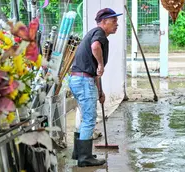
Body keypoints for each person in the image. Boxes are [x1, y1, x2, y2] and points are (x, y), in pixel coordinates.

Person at [68, 8, 122, 167]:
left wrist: (100, 91)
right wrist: (100, 64)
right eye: (114, 21)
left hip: (79, 79)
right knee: (90, 119)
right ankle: (85, 158)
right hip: (84, 81)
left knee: (85, 117)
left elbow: (95, 73)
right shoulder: (99, 34)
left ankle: (79, 153)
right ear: (104, 22)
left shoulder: (94, 33)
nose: (116, 25)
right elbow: (95, 47)